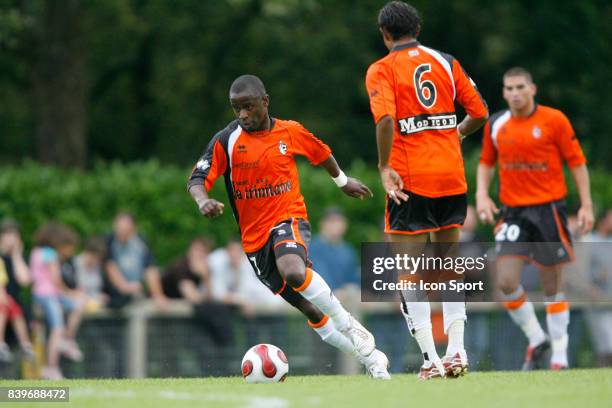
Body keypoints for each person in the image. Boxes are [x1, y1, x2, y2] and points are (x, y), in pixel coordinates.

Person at [188, 74, 390, 379]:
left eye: (248, 106)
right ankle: (373, 359)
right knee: (311, 310)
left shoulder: (289, 132)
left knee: (294, 271)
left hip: (288, 219)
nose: (242, 114)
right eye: (236, 108)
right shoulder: (226, 141)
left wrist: (343, 181)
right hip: (254, 242)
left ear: (265, 102)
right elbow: (197, 179)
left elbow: (321, 153)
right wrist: (202, 200)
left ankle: (350, 324)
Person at [365, 1, 488, 379]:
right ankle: (458, 352)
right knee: (449, 264)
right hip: (451, 177)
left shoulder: (381, 69)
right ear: (417, 27)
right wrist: (455, 133)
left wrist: (385, 167)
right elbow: (480, 111)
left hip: (410, 180)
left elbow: (385, 118)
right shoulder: (445, 60)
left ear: (385, 34)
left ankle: (431, 360)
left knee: (409, 272)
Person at [476, 67, 594, 370]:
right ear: (503, 93)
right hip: (513, 212)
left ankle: (559, 356)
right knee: (505, 281)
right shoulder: (497, 124)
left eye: (520, 87)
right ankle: (536, 336)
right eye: (509, 89)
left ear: (532, 89)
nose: (515, 94)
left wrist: (586, 205)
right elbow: (486, 162)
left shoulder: (554, 120)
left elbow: (577, 163)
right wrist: (481, 195)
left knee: (552, 283)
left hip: (548, 210)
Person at [31, 223, 85, 380]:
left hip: (40, 294)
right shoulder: (50, 253)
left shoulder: (35, 252)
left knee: (78, 305)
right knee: (57, 328)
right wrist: (69, 292)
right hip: (49, 295)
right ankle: (51, 367)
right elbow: (55, 279)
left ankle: (67, 341)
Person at [104, 212, 168, 309]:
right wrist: (125, 287)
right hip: (114, 291)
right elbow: (110, 267)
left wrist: (157, 294)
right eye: (119, 229)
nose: (121, 232)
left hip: (136, 289)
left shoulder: (142, 242)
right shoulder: (108, 241)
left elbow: (150, 269)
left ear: (133, 229)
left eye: (125, 230)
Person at [0, 220, 35, 363]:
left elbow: (25, 280)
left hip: (14, 308)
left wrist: (16, 256)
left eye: (14, 236)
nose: (11, 239)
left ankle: (25, 346)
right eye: (8, 235)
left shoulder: (17, 258)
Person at [309, 207, 359, 294]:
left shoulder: (348, 250)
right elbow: (317, 276)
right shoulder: (313, 247)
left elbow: (354, 279)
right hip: (319, 295)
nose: (335, 225)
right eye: (331, 221)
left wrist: (352, 288)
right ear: (322, 223)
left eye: (339, 221)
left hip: (345, 296)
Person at [74, 236, 109, 312]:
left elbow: (97, 288)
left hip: (94, 303)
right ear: (87, 253)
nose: (96, 261)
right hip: (79, 302)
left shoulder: (97, 268)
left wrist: (100, 296)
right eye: (95, 257)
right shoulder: (74, 265)